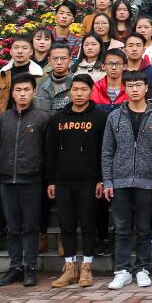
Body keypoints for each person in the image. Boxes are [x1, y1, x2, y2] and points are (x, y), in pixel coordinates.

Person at [102, 68, 152, 290]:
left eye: (138, 85)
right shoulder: (114, 116)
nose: (134, 89)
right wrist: (108, 181)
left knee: (143, 228)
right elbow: (107, 151)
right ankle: (122, 270)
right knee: (121, 228)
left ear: (146, 87)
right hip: (119, 181)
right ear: (124, 88)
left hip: (147, 182)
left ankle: (142, 268)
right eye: (130, 86)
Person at [45, 75, 108, 289]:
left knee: (88, 224)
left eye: (83, 89)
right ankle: (70, 267)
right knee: (67, 225)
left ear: (91, 91)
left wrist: (101, 179)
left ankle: (87, 266)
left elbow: (104, 151)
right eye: (75, 89)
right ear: (70, 92)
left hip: (89, 181)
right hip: (62, 181)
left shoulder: (99, 117)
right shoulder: (58, 118)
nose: (79, 93)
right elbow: (50, 151)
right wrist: (51, 180)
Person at [0, 74, 51, 287]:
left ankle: (30, 267)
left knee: (31, 226)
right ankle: (15, 266)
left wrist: (46, 177)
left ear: (34, 91)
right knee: (12, 226)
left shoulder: (42, 118)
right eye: (18, 90)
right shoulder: (3, 118)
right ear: (12, 93)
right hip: (7, 179)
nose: (22, 94)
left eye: (26, 90)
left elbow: (47, 151)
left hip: (32, 180)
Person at [0, 34, 44, 120]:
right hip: (5, 122)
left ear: (31, 52)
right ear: (11, 51)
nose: (20, 51)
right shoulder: (2, 74)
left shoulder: (39, 75)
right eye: (16, 47)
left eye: (24, 48)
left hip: (32, 122)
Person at [35, 42, 75, 112]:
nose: (59, 62)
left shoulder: (76, 83)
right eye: (55, 58)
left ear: (70, 60)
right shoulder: (39, 82)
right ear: (49, 60)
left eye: (63, 58)